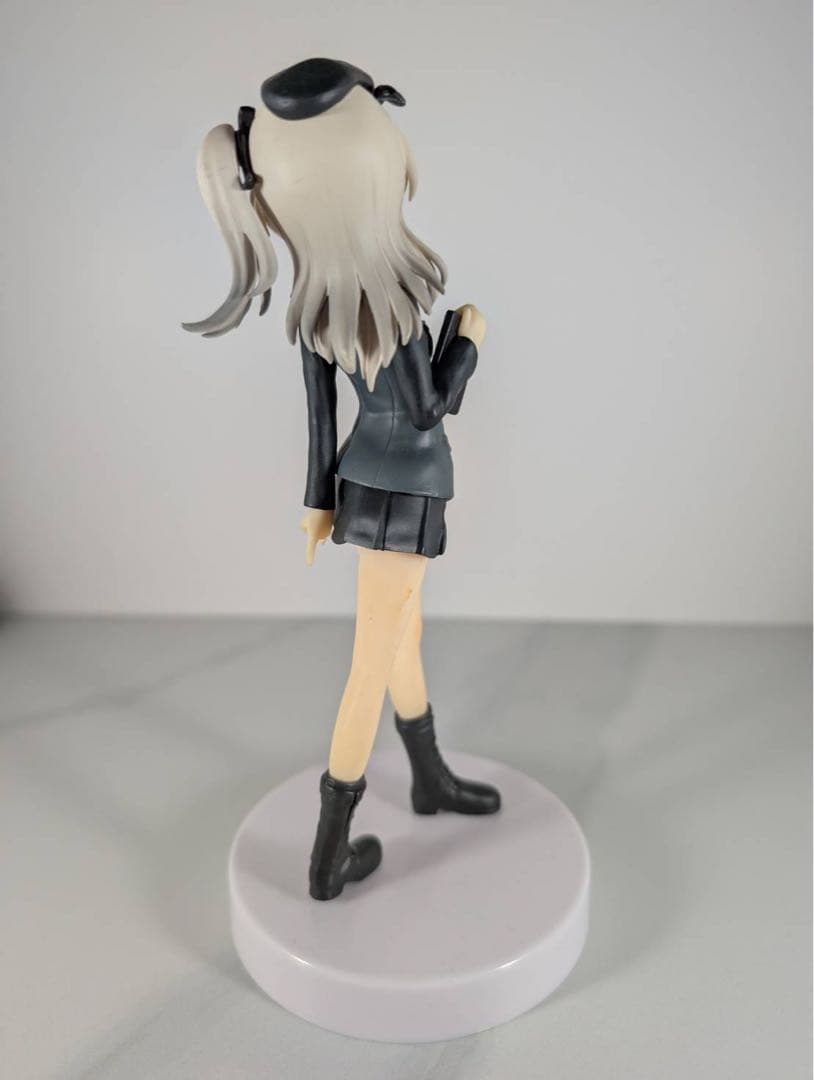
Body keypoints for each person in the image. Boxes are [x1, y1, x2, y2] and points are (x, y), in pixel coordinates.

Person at [184, 58, 500, 901]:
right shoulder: (398, 311)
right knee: (370, 663)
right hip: (409, 491)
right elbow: (429, 409)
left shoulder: (318, 310)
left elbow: (321, 420)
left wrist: (318, 505)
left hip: (364, 489)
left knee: (404, 639)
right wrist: (468, 340)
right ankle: (327, 854)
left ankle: (428, 777)